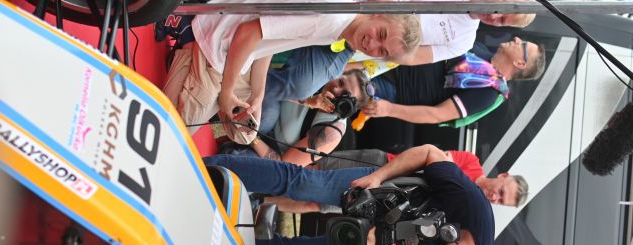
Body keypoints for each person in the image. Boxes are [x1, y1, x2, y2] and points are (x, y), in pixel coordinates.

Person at [204, 145, 495, 245]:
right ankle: (205, 169)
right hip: (391, 193)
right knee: (301, 183)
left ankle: (207, 244)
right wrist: (378, 177)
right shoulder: (472, 206)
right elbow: (430, 153)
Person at [161, 0, 421, 144]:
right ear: (378, 10)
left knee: (246, 132)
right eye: (381, 34)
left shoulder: (341, 27)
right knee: (172, 135)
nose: (372, 45)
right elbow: (249, 32)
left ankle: (200, 85)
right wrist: (228, 92)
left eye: (381, 51)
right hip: (218, 40)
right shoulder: (331, 19)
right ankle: (188, 42)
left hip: (235, 51)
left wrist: (258, 95)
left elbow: (266, 42)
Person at [259, 13, 536, 133]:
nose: (495, 19)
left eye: (503, 20)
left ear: (521, 64)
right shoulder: (482, 54)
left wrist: (363, 62)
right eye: (500, 11)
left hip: (381, 72)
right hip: (367, 22)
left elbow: (413, 61)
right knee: (296, 49)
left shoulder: (479, 68)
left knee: (307, 84)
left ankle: (254, 90)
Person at [363, 37, 546, 127]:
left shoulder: (489, 92)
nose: (517, 39)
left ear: (520, 63)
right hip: (391, 59)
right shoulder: (479, 49)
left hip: (392, 88)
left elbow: (437, 115)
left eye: (522, 45)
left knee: (348, 84)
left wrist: (389, 109)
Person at [229, 70, 371, 167]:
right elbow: (270, 83)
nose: (335, 90)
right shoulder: (319, 74)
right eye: (340, 82)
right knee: (269, 112)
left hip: (270, 150)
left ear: (349, 109)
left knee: (234, 159)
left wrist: (252, 136)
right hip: (263, 116)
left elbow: (282, 164)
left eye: (345, 95)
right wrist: (309, 101)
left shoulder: (331, 132)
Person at [314, 148, 530, 207]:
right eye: (501, 191)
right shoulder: (471, 162)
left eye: (501, 201)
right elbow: (437, 163)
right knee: (318, 167)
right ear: (503, 175)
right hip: (383, 166)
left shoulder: (471, 206)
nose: (495, 197)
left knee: (317, 205)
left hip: (384, 200)